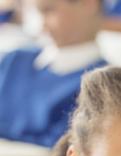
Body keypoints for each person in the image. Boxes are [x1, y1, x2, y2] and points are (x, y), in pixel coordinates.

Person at [0, 0, 107, 147]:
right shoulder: (15, 60)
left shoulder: (100, 86)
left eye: (48, 10)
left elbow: (57, 149)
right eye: (35, 12)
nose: (40, 25)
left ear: (89, 4)